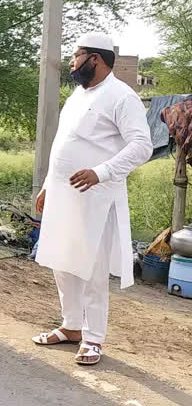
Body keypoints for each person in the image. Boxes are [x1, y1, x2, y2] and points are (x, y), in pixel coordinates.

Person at [32, 33, 152, 366]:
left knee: (91, 268)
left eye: (76, 55)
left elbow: (141, 146)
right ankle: (71, 326)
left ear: (95, 59)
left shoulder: (121, 96)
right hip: (62, 194)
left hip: (95, 197)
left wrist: (101, 171)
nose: (72, 62)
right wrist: (47, 185)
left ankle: (93, 336)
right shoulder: (77, 95)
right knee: (62, 261)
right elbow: (62, 144)